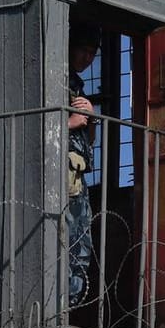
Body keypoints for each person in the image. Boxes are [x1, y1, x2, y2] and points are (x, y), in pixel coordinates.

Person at [64, 26, 100, 308]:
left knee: (81, 245)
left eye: (93, 54)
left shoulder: (78, 87)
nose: (88, 58)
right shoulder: (56, 78)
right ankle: (61, 304)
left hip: (79, 173)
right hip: (61, 171)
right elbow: (36, 128)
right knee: (64, 240)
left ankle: (70, 303)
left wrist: (91, 119)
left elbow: (89, 139)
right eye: (84, 51)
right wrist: (70, 123)